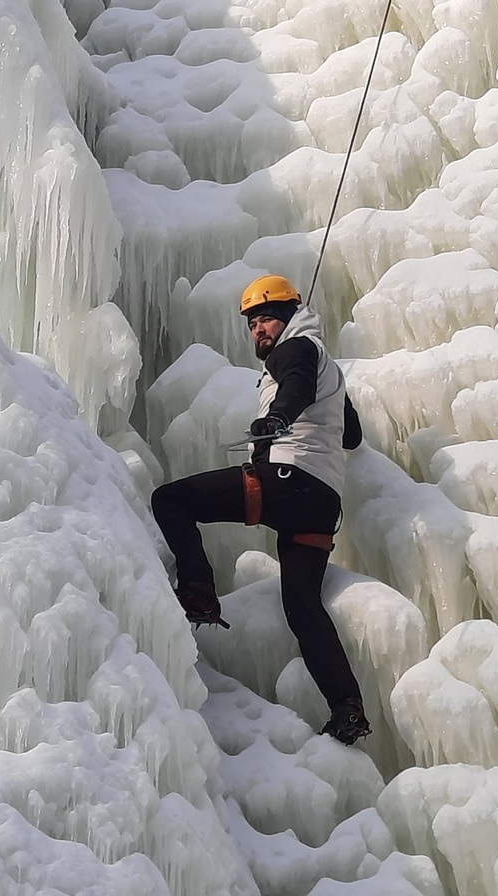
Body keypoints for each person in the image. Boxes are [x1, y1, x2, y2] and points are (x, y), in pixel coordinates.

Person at [150, 274, 370, 745]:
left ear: (291, 315)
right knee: (302, 606)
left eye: (266, 318)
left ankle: (198, 592)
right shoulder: (326, 368)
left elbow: (294, 387)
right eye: (252, 324)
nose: (258, 331)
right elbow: (350, 436)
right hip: (319, 509)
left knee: (170, 500)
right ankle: (346, 707)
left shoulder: (297, 350)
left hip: (288, 481)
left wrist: (279, 418)